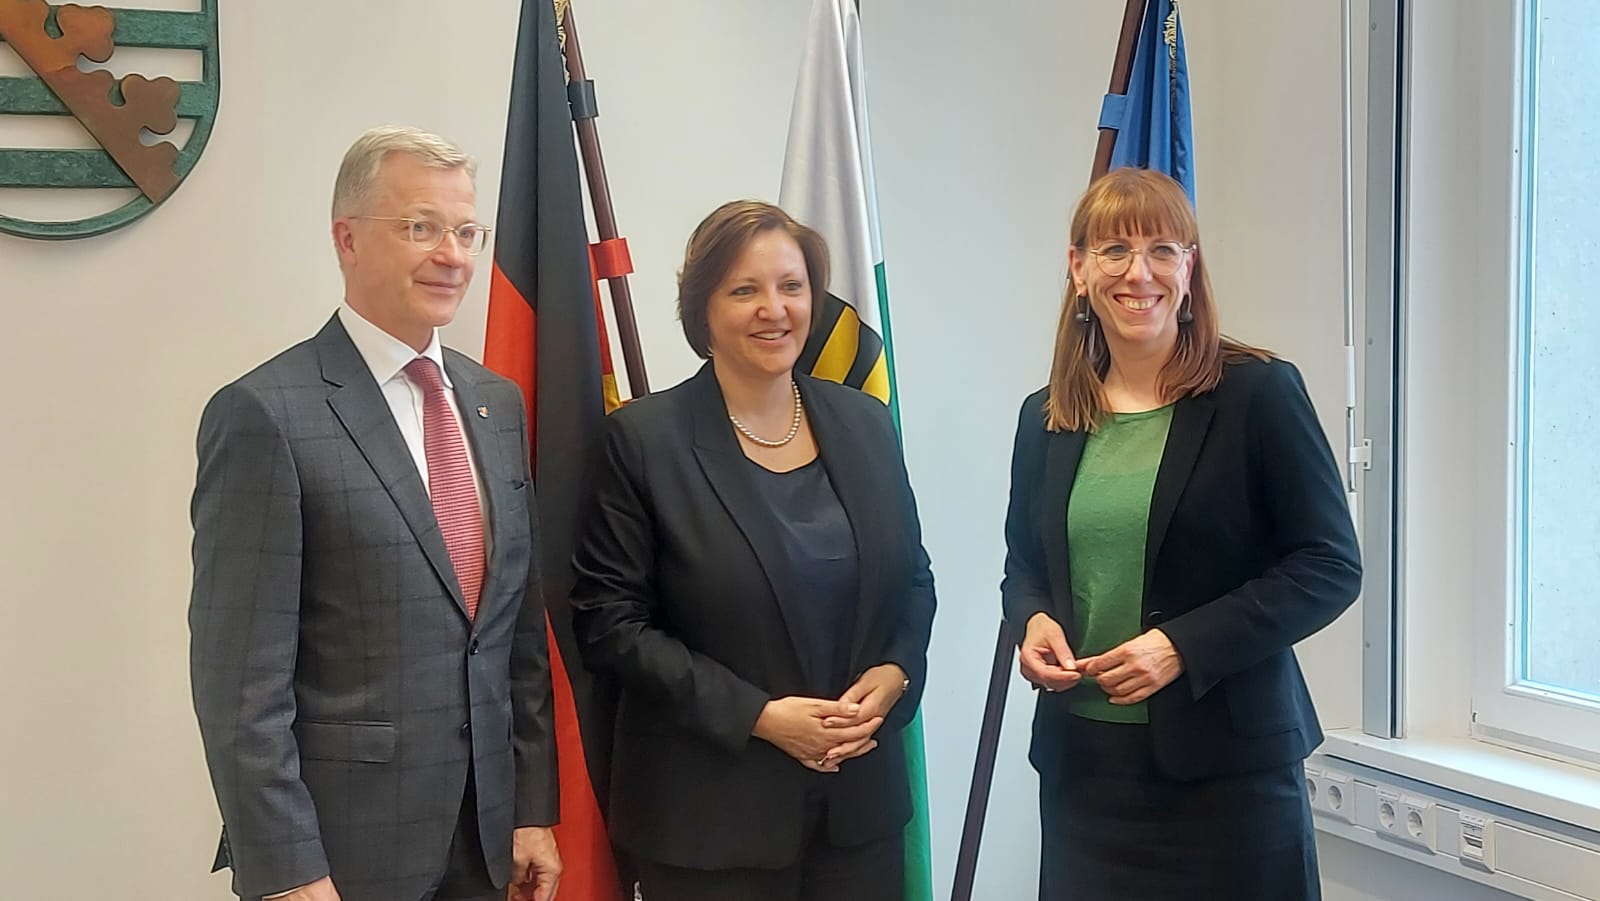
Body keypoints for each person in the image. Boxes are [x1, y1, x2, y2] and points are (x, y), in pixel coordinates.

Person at [189, 126, 562, 901]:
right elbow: (240, 685)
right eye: (421, 227)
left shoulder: (496, 403)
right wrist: (288, 867)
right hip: (341, 856)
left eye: (466, 232)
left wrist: (531, 808)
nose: (452, 255)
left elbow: (516, 634)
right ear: (347, 238)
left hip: (487, 844)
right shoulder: (266, 413)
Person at [1002, 167, 1361, 900]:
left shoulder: (1259, 393)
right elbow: (1024, 563)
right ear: (1079, 269)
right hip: (1086, 775)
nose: (1139, 273)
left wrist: (1180, 646)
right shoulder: (1046, 417)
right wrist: (1032, 618)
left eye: (1162, 250)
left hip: (1230, 784)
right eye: (1114, 251)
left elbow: (1329, 565)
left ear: (1189, 270)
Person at [570, 200, 936, 901]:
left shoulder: (864, 421)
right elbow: (611, 626)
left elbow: (913, 579)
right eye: (745, 290)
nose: (775, 309)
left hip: (858, 814)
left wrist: (896, 672)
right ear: (702, 309)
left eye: (791, 286)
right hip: (712, 826)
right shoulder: (643, 441)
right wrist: (761, 717)